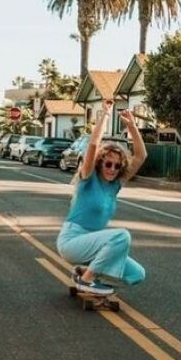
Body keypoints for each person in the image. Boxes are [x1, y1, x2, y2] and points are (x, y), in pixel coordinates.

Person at [56, 100, 147, 295]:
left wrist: (131, 125)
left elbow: (140, 156)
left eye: (116, 166)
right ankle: (87, 281)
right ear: (99, 164)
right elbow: (93, 145)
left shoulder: (114, 185)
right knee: (122, 235)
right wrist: (105, 114)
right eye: (108, 164)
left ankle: (83, 271)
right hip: (72, 242)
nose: (112, 169)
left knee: (137, 274)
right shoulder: (88, 178)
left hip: (93, 245)